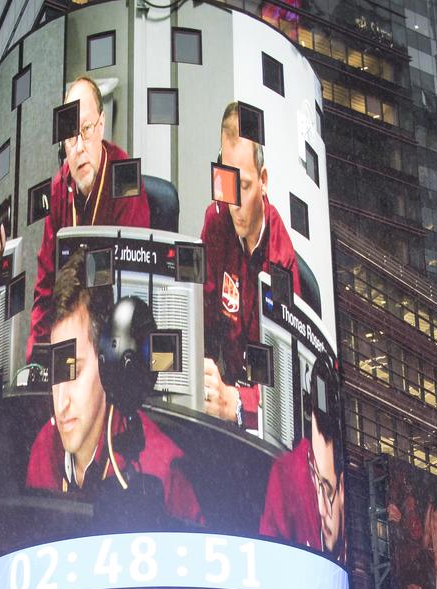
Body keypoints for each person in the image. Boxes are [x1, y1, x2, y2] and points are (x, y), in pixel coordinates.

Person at [25, 251, 203, 523]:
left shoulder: (161, 468)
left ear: (109, 365)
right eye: (56, 372)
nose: (61, 403)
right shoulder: (43, 449)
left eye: (75, 371)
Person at [27, 76, 149, 357]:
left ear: (102, 125)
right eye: (70, 137)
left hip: (115, 337)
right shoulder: (59, 188)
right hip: (72, 335)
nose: (79, 146)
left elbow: (131, 283)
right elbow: (45, 285)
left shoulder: (126, 178)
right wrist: (38, 357)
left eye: (86, 130)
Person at [200, 102, 301, 434]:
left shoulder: (281, 259)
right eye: (226, 185)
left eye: (243, 187)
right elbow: (200, 316)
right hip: (216, 401)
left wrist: (238, 404)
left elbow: (285, 381)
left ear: (263, 180)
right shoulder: (215, 221)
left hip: (259, 419)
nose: (234, 205)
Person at [259, 352, 345, 561]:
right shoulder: (287, 473)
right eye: (314, 473)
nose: (321, 509)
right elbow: (269, 557)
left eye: (326, 488)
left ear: (343, 489)